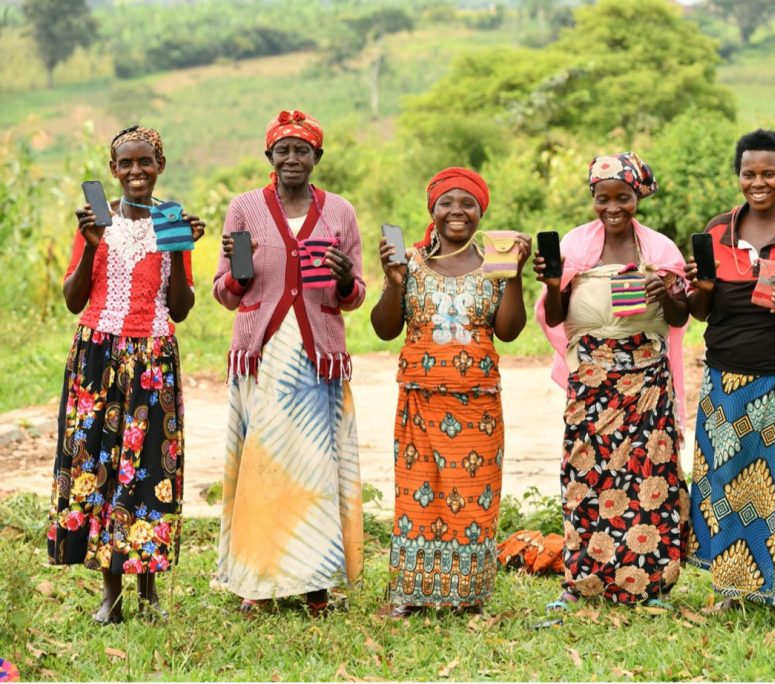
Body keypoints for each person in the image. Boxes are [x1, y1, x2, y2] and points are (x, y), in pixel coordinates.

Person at [48, 125, 206, 624]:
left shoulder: (172, 219)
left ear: (160, 165)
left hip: (154, 357)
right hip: (97, 356)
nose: (136, 171)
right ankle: (109, 594)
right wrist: (93, 245)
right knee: (100, 467)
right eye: (126, 164)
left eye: (146, 162)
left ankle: (150, 591)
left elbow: (180, 308)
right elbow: (74, 299)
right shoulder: (94, 223)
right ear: (113, 170)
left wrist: (179, 251)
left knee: (149, 470)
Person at [213, 110, 366, 617]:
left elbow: (355, 295)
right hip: (263, 353)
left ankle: (315, 582)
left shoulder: (340, 212)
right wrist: (239, 270)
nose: (293, 158)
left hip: (316, 357)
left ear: (317, 158)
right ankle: (256, 580)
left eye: (304, 150)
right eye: (284, 150)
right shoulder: (244, 208)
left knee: (314, 467)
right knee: (263, 464)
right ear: (270, 158)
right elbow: (224, 293)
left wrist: (344, 280)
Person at [684, 129, 775, 614]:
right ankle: (731, 590)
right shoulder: (716, 231)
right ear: (739, 176)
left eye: (769, 172)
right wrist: (700, 285)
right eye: (749, 173)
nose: (759, 181)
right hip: (725, 379)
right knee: (726, 484)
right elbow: (702, 311)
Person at [371, 167, 530, 618]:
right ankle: (410, 594)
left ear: (481, 212)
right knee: (416, 496)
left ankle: (468, 595)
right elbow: (384, 329)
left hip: (477, 403)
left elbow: (509, 331)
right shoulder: (412, 261)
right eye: (447, 203)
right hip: (420, 399)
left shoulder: (494, 263)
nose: (456, 212)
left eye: (468, 204)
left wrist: (514, 275)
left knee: (473, 497)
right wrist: (393, 281)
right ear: (432, 210)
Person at [534, 152, 690, 609]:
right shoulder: (574, 246)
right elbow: (558, 316)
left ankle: (650, 584)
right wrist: (552, 284)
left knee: (649, 476)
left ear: (637, 196)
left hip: (646, 381)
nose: (613, 207)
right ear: (594, 198)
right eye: (603, 198)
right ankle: (581, 582)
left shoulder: (660, 250)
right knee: (586, 472)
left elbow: (680, 319)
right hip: (592, 379)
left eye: (623, 197)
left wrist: (668, 291)